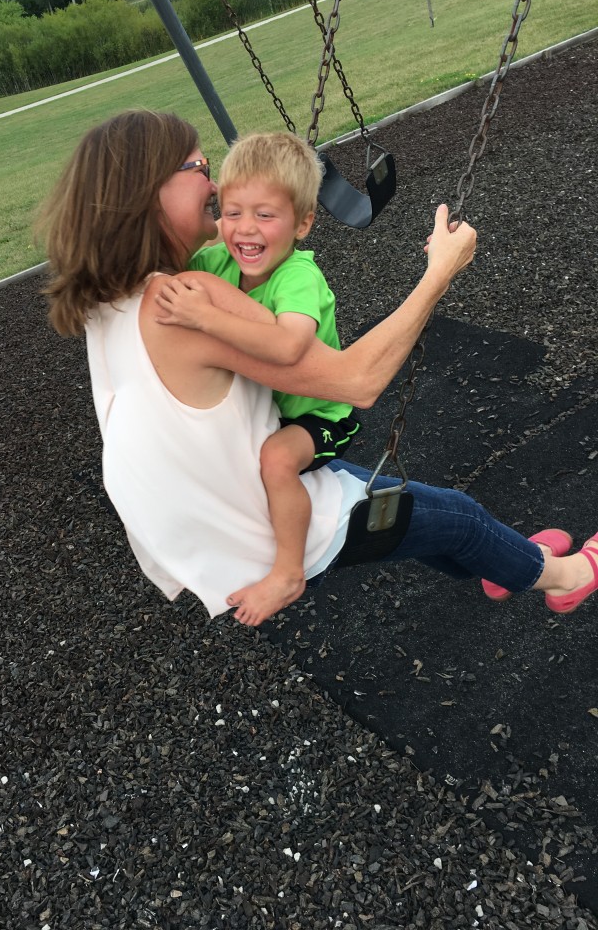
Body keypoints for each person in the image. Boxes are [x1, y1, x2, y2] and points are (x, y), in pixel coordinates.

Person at [39, 109, 598, 628]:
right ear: (146, 189)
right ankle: (569, 578)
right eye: (198, 167)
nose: (213, 185)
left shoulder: (106, 299)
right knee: (458, 517)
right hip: (269, 527)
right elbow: (359, 381)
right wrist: (439, 275)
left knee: (425, 528)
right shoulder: (185, 299)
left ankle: (515, 561)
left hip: (224, 515)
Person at [156, 131, 360, 625]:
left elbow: (290, 346)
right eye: (232, 213)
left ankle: (288, 572)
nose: (245, 229)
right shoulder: (215, 261)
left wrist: (206, 317)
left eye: (265, 215)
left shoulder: (298, 278)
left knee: (275, 459)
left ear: (304, 223)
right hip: (272, 407)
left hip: (322, 414)